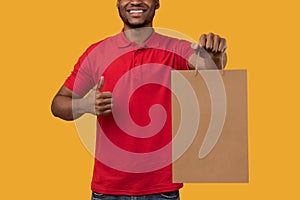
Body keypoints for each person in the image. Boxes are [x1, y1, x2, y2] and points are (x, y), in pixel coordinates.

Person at [51, 0, 227, 199]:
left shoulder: (177, 48)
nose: (135, 1)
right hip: (108, 190)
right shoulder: (96, 52)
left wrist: (214, 57)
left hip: (161, 190)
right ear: (117, 3)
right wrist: (83, 105)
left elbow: (208, 69)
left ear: (157, 3)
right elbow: (58, 104)